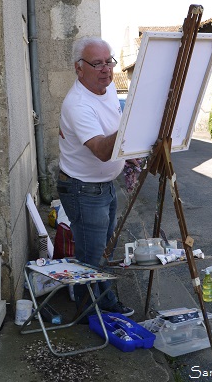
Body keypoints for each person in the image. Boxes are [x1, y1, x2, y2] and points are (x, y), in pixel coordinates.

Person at [57, 36, 134, 317]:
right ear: (79, 68)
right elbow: (102, 150)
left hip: (104, 185)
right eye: (97, 63)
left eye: (109, 61)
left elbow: (112, 131)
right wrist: (130, 123)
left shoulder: (109, 87)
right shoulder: (78, 104)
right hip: (83, 188)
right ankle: (91, 314)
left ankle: (100, 303)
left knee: (103, 251)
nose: (106, 69)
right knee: (92, 257)